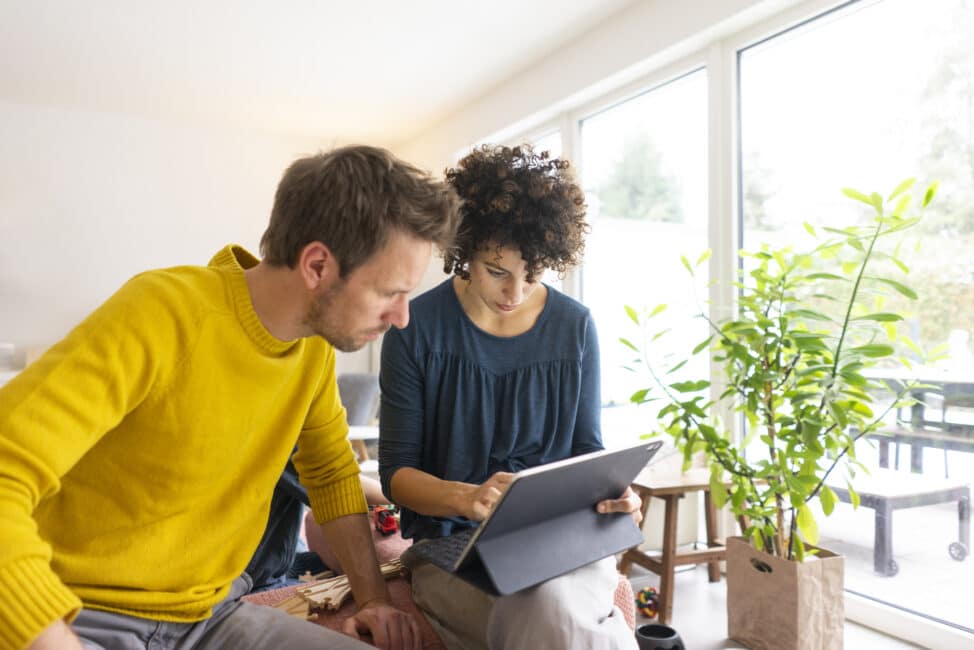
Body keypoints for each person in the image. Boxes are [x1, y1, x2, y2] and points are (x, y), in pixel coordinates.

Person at [0, 145, 460, 650]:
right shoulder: (161, 314)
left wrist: (373, 598)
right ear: (317, 266)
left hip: (209, 619)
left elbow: (330, 475)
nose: (402, 317)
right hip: (81, 614)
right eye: (389, 292)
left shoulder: (311, 352)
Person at [378, 144, 642, 650]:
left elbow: (588, 452)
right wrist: (466, 497)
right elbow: (396, 473)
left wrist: (617, 495)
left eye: (533, 275)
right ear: (465, 249)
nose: (514, 293)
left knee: (552, 605)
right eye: (497, 271)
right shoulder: (416, 331)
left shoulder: (575, 328)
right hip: (452, 548)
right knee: (548, 613)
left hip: (561, 541)